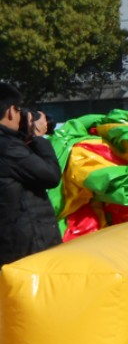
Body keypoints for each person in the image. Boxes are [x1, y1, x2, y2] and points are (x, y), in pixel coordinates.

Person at [0, 82, 63, 268]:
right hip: (28, 248)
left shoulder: (9, 145)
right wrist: (37, 137)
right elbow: (50, 176)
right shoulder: (9, 148)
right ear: (10, 111)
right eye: (18, 110)